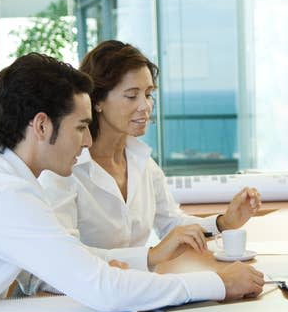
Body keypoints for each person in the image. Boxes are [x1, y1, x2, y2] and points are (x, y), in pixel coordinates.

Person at [0, 53, 263, 312]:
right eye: (80, 127)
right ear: (41, 126)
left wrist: (135, 263)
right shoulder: (5, 195)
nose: (88, 140)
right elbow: (100, 288)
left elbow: (74, 259)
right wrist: (219, 283)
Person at [38, 40, 260, 254]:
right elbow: (64, 257)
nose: (145, 106)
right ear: (97, 101)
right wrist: (150, 257)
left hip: (133, 285)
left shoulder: (141, 161)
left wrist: (225, 222)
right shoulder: (65, 168)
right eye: (132, 96)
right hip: (87, 289)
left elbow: (172, 224)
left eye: (148, 94)